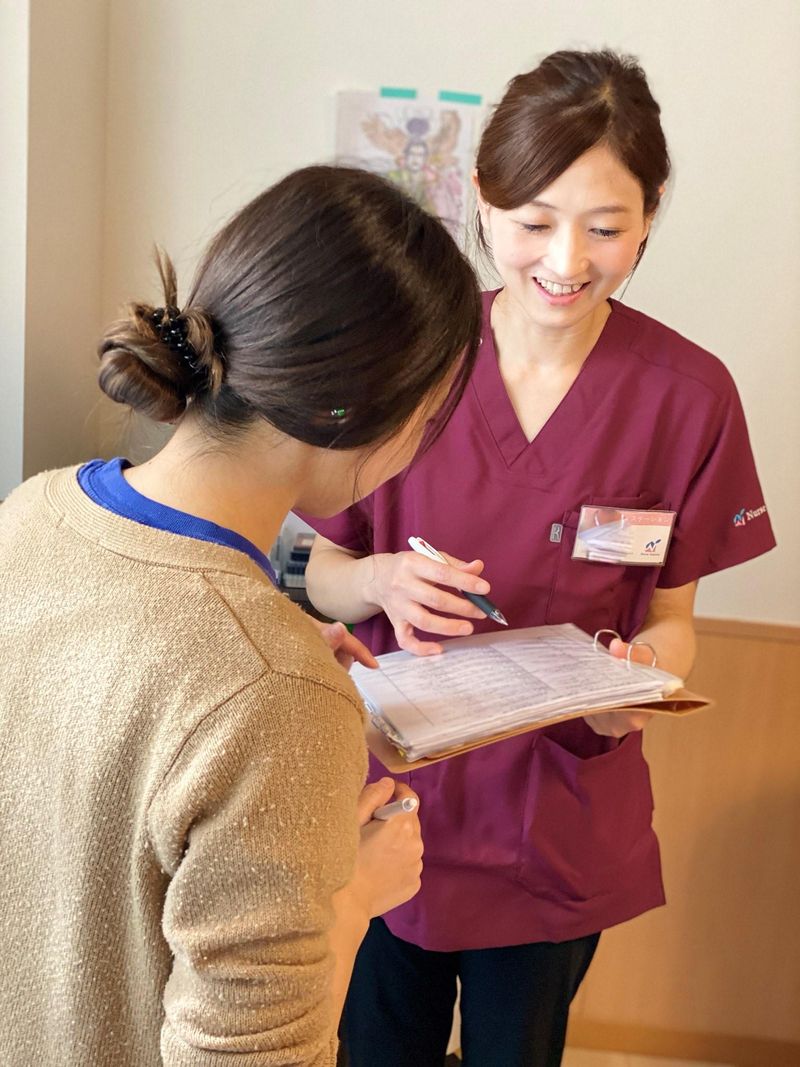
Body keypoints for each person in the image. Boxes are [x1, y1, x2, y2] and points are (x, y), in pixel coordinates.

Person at [303, 51, 776, 1067]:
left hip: (554, 821)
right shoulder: (405, 358)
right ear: (481, 198)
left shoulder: (688, 397)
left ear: (648, 216)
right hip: (388, 801)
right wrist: (378, 579)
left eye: (604, 227)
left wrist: (642, 680)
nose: (566, 259)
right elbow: (320, 574)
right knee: (373, 1048)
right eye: (532, 222)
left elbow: (670, 618)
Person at [0, 165, 482, 1066]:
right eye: (427, 417)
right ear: (355, 416)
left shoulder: (32, 512)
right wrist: (352, 897)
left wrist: (271, 672)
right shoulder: (274, 687)